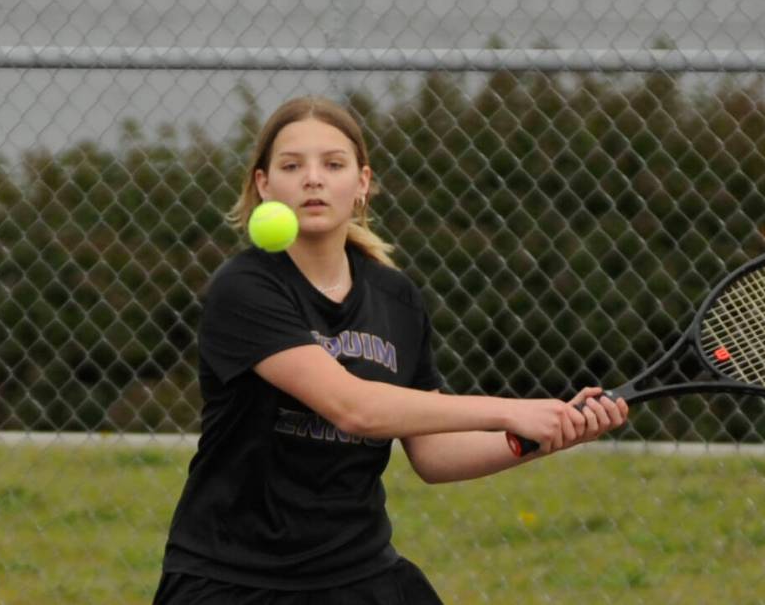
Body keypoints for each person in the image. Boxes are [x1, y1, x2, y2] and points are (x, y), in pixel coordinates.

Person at [153, 96, 629, 604]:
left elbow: (432, 453)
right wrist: (514, 410)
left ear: (361, 183)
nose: (313, 178)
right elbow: (355, 408)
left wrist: (533, 437)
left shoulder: (394, 297)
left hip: (358, 573)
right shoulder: (246, 288)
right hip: (235, 579)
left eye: (333, 164)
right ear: (264, 184)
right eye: (292, 166)